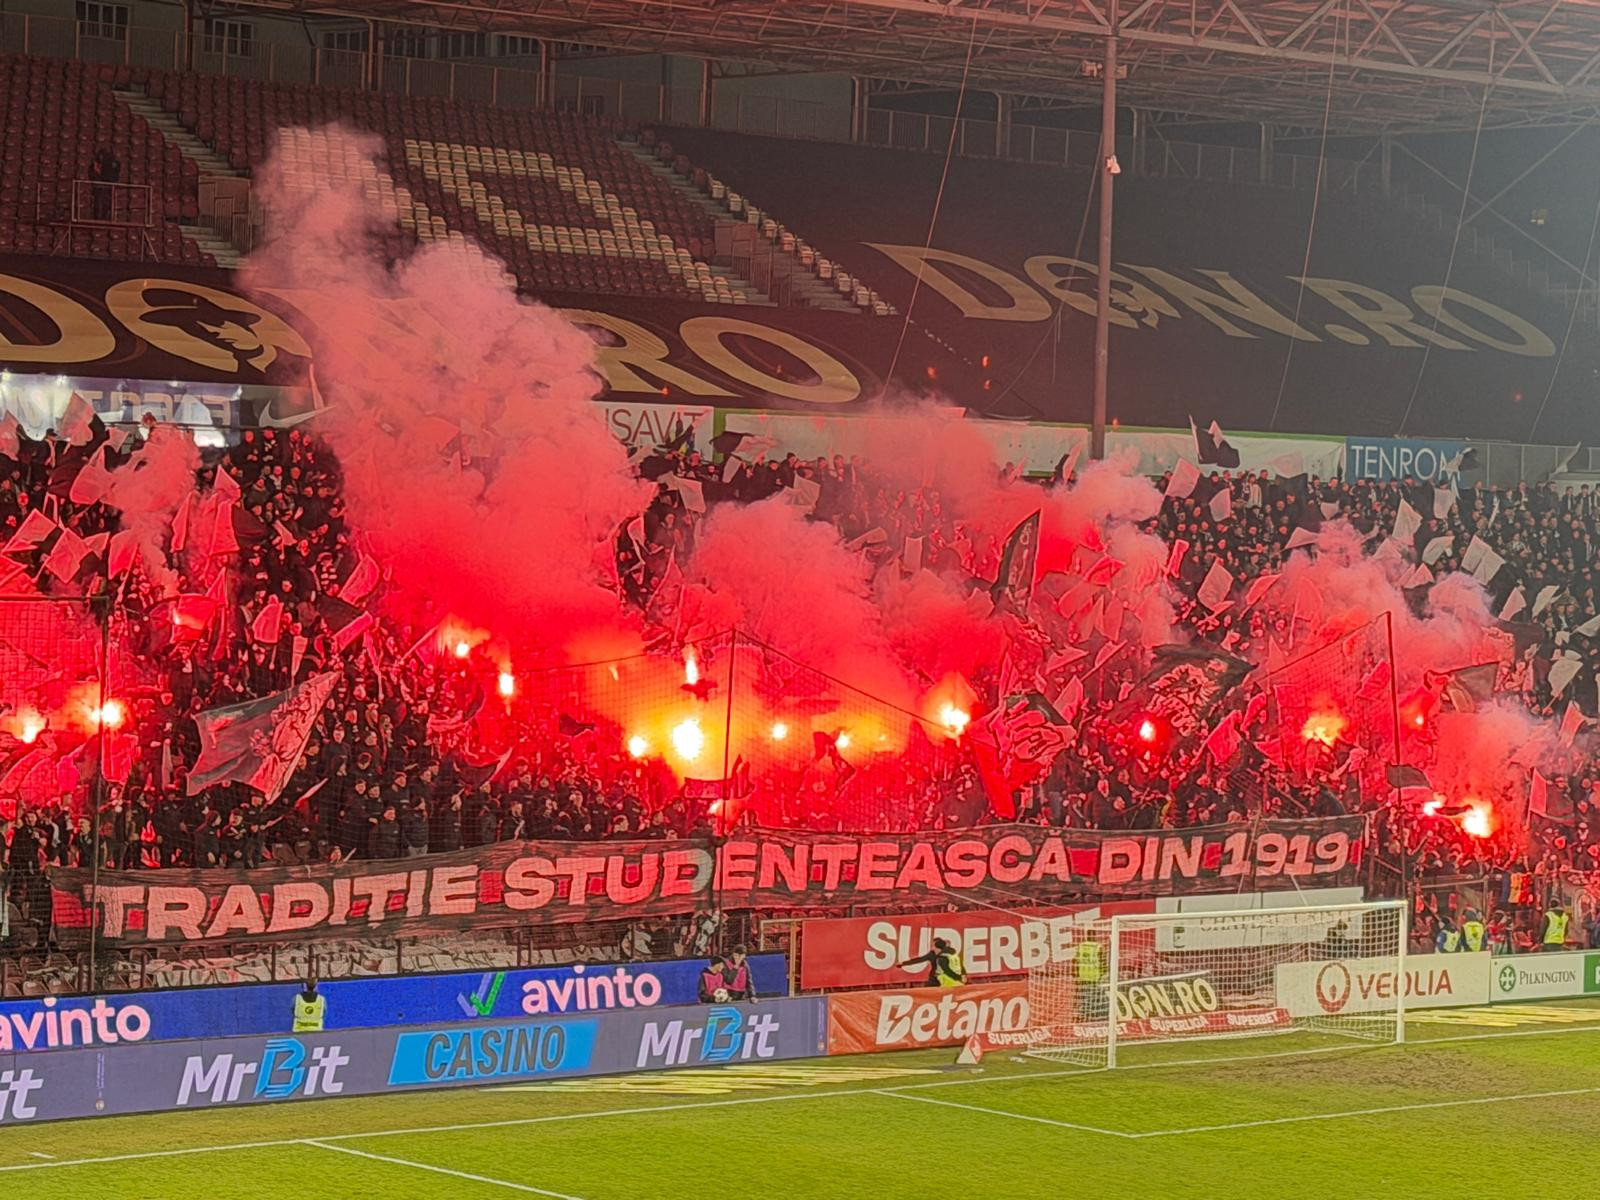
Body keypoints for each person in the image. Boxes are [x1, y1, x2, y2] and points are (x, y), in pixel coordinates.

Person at [898, 936, 966, 988]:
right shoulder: (932, 954)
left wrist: (962, 975)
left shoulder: (948, 955)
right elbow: (920, 959)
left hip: (947, 979)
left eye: (933, 945)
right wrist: (903, 963)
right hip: (935, 979)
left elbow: (958, 965)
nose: (932, 947)